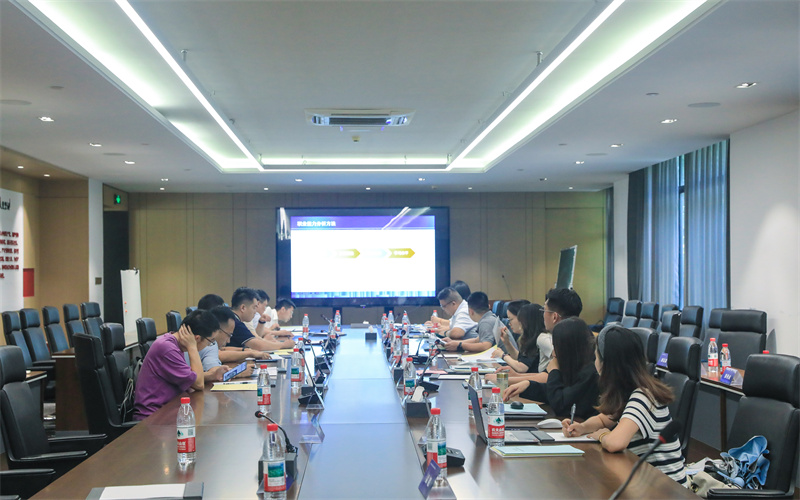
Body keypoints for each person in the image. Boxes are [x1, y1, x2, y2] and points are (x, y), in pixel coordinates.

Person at [562, 326, 686, 485]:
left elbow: (615, 443)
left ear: (607, 364)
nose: (595, 363)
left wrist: (602, 436)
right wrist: (582, 427)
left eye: (596, 358)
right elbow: (603, 419)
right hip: (647, 482)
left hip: (665, 489)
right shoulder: (628, 391)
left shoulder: (644, 397)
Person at [502, 317, 599, 419]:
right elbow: (555, 393)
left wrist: (554, 371)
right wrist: (528, 385)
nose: (553, 354)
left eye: (556, 347)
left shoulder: (590, 373)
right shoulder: (576, 366)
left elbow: (560, 403)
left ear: (568, 348)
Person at [133, 309, 218, 420]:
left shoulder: (174, 344)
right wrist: (192, 347)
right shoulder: (168, 348)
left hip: (168, 411)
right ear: (196, 338)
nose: (209, 345)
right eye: (210, 341)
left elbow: (191, 378)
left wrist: (212, 375)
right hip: (153, 418)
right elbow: (198, 384)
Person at [228, 288, 293, 351]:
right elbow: (257, 345)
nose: (255, 312)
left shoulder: (233, 318)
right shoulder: (234, 323)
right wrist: (283, 345)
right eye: (254, 308)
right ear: (243, 308)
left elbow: (256, 338)